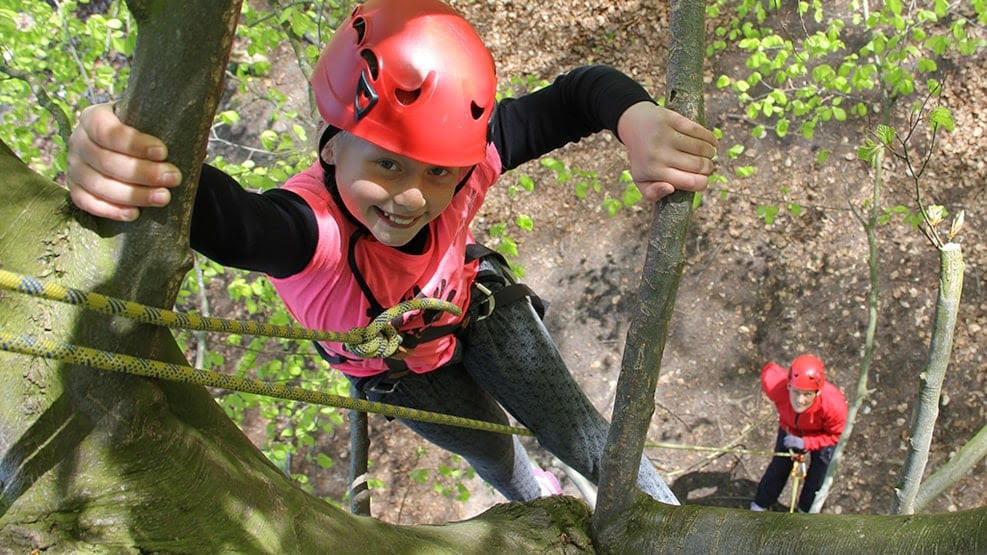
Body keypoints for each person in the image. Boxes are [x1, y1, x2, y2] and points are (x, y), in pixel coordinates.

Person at [66, 0, 717, 504]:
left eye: (437, 173)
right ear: (330, 146)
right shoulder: (304, 234)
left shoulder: (466, 159)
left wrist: (635, 119)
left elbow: (577, 94)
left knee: (583, 437)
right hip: (401, 372)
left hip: (477, 308)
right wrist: (126, 153)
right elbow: (217, 214)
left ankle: (668, 523)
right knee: (493, 455)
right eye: (387, 164)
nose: (412, 196)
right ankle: (538, 497)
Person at [750, 354, 848, 513]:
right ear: (788, 385)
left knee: (818, 474)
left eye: (807, 394)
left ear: (817, 392)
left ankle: (806, 510)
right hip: (790, 429)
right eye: (795, 392)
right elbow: (768, 369)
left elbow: (835, 436)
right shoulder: (777, 387)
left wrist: (806, 443)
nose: (800, 400)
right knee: (779, 466)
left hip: (823, 435)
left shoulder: (834, 406)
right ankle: (762, 502)